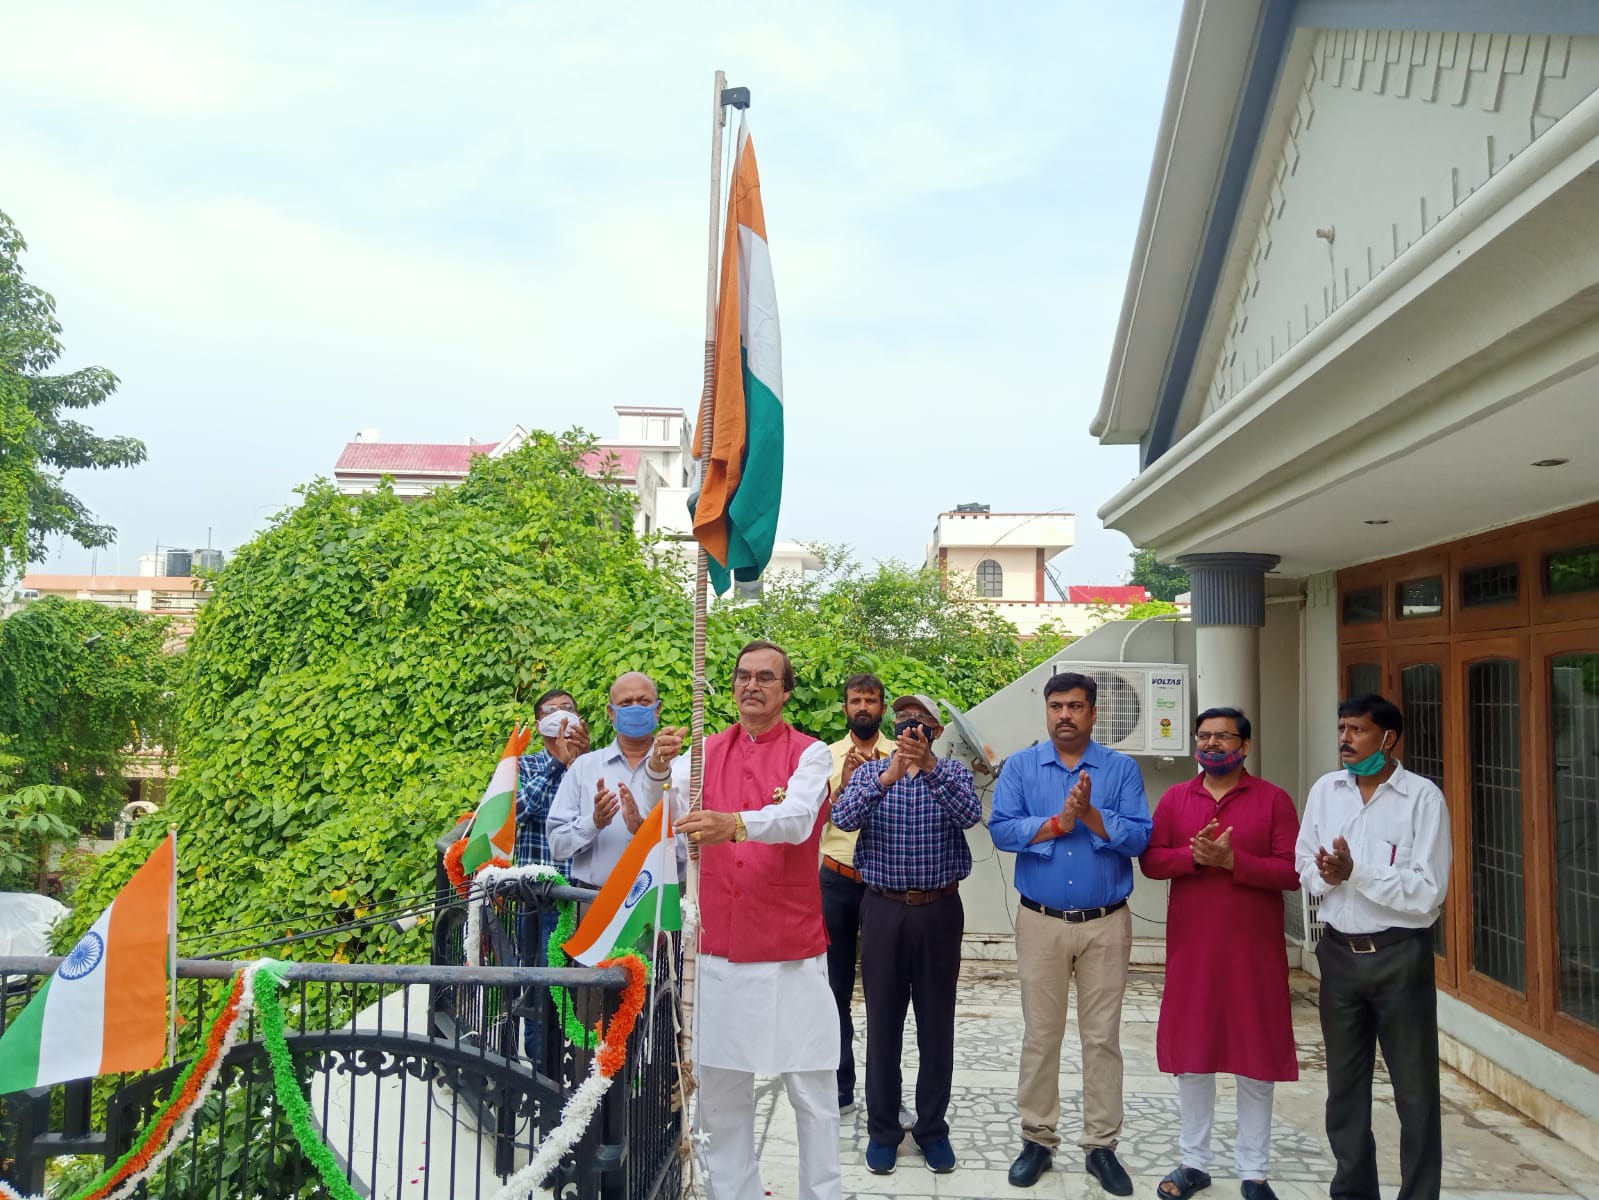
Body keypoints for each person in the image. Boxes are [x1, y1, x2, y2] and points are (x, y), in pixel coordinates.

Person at [643, 641, 840, 1200]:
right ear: (731, 685)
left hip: (790, 948)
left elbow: (797, 819)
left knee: (812, 1093)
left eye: (765, 677)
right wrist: (658, 766)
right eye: (743, 676)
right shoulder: (705, 753)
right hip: (718, 950)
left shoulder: (810, 754)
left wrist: (733, 824)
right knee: (721, 1098)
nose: (752, 685)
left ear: (786, 691)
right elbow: (664, 807)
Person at [989, 671, 1152, 1193]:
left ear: (1093, 713)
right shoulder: (1020, 767)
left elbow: (1140, 839)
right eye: (1056, 706)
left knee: (1102, 1038)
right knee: (1041, 1035)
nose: (1065, 715)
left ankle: (1101, 1146)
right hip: (1040, 921)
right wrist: (1058, 823)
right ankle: (1037, 1139)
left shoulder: (1121, 769)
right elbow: (1001, 829)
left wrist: (1092, 816)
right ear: (1047, 711)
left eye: (1076, 706)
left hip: (1106, 924)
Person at [1294, 694, 1451, 1200]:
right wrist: (1325, 874)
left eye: (1357, 730)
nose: (1345, 739)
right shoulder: (1326, 790)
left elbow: (1428, 892)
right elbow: (1303, 863)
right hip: (1339, 955)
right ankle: (1353, 1191)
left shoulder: (1422, 798)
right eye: (1342, 728)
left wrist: (1355, 873)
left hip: (1399, 957)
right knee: (1344, 1089)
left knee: (1415, 1090)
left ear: (1388, 738)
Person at [1140, 708, 1301, 1200]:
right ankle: (1194, 1162)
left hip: (1255, 953)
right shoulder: (1175, 798)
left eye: (1223, 737)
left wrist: (1234, 861)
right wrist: (1193, 856)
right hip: (1193, 951)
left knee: (1256, 1059)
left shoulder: (1273, 800)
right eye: (1204, 736)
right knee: (1193, 1057)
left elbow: (1292, 871)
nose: (1211, 744)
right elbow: (1151, 861)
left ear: (1245, 746)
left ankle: (1254, 1171)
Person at [833, 693, 980, 1176]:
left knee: (936, 1025)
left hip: (939, 910)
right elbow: (843, 818)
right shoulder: (872, 772)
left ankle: (932, 1130)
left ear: (935, 730)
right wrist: (887, 777)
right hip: (883, 909)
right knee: (883, 1024)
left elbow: (969, 816)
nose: (910, 727)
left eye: (919, 720)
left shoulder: (953, 772)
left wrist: (929, 768)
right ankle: (883, 1131)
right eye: (902, 719)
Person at [819, 672, 895, 1115]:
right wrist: (844, 788)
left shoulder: (901, 757)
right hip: (837, 882)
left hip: (885, 886)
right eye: (855, 700)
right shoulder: (825, 758)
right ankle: (840, 1084)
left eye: (871, 700)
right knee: (835, 988)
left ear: (882, 707)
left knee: (886, 990)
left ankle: (886, 1093)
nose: (863, 707)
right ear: (845, 707)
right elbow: (815, 820)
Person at [513, 688, 589, 1069]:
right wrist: (556, 765)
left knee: (585, 992)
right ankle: (543, 1075)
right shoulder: (523, 766)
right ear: (538, 721)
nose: (560, 716)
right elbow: (515, 812)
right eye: (551, 711)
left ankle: (581, 1072)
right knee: (541, 989)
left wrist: (578, 764)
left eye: (568, 709)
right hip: (538, 901)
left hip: (584, 898)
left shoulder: (593, 766)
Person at [545, 672, 668, 890]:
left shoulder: (677, 768)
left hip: (658, 900)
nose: (635, 708)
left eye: (644, 701)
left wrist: (644, 830)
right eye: (626, 703)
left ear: (657, 709)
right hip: (595, 899)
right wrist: (594, 822)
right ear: (611, 713)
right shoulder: (584, 768)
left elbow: (691, 845)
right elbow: (557, 845)